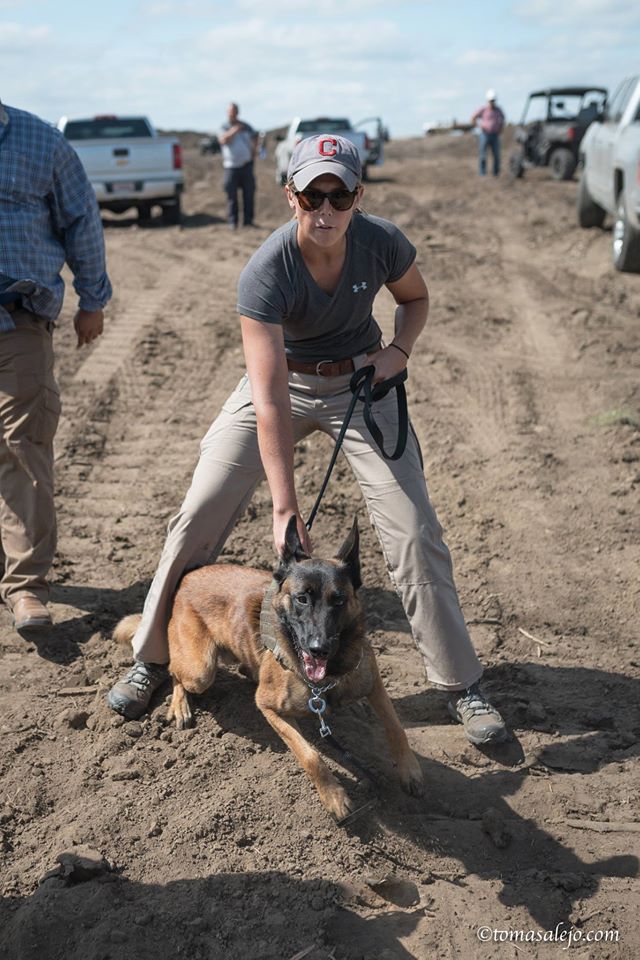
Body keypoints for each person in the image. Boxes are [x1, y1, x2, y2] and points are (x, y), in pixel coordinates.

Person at [108, 135, 507, 747]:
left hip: (362, 382)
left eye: (339, 195)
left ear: (357, 197)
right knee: (198, 512)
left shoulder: (382, 242)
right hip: (283, 386)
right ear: (290, 195)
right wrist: (283, 505)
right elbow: (267, 399)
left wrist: (397, 351)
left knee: (415, 529)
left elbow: (416, 299)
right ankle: (153, 657)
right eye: (312, 195)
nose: (326, 209)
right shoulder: (267, 270)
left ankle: (460, 684)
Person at [0, 99, 112, 631]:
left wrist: (92, 300)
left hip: (15, 321)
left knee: (22, 448)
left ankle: (25, 587)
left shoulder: (40, 141)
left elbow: (81, 219)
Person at [218, 102, 258, 229]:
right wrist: (235, 129)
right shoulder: (224, 126)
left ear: (237, 112)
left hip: (246, 165)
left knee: (248, 194)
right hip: (231, 166)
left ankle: (248, 221)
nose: (232, 114)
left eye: (234, 111)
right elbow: (223, 140)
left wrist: (253, 153)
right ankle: (232, 221)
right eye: (230, 111)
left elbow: (255, 137)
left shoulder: (246, 126)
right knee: (231, 196)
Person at [471, 89, 505, 177]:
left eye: (493, 101)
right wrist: (478, 126)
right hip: (484, 134)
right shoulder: (483, 109)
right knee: (483, 155)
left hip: (495, 135)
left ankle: (496, 173)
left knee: (496, 155)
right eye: (491, 101)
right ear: (488, 100)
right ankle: (482, 173)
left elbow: (503, 119)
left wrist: (501, 128)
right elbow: (473, 117)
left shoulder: (498, 110)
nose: (492, 102)